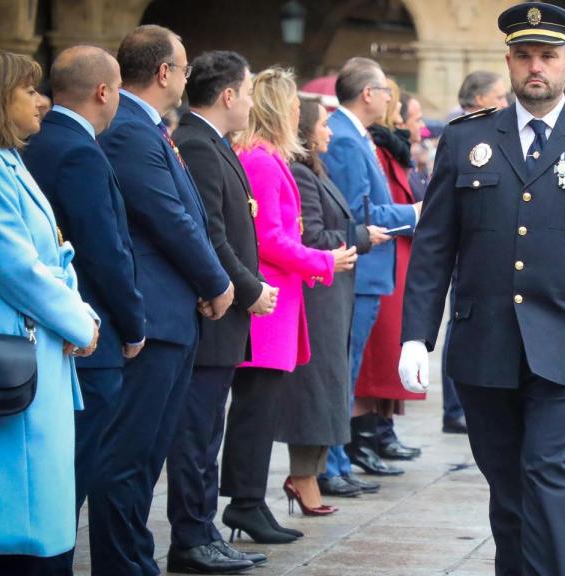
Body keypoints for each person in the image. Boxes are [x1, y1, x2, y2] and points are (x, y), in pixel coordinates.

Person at [398, 4, 565, 574]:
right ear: (509, 62)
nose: (534, 67)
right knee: (505, 480)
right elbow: (436, 244)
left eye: (546, 57)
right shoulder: (467, 139)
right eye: (523, 56)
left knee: (546, 468)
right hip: (484, 339)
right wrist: (416, 335)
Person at [89, 26, 235, 576]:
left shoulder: (148, 127)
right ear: (164, 72)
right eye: (184, 66)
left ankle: (133, 558)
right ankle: (123, 563)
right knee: (130, 455)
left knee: (148, 455)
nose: (187, 76)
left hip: (173, 313)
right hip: (153, 315)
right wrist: (217, 282)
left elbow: (183, 213)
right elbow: (168, 219)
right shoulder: (128, 128)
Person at [18, 45, 144, 574]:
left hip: (50, 335)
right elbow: (104, 248)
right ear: (103, 91)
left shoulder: (45, 142)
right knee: (70, 476)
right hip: (84, 339)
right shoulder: (78, 150)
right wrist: (133, 323)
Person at [220, 67, 353, 543]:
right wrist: (323, 259)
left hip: (281, 302)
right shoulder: (259, 159)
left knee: (262, 406)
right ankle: (245, 503)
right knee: (256, 409)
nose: (301, 112)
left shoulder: (269, 158)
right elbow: (270, 238)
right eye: (295, 105)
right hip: (269, 303)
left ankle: (250, 501)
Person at [164, 50, 274, 572]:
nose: (251, 101)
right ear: (228, 95)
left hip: (224, 316)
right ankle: (190, 537)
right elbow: (210, 232)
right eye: (248, 91)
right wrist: (249, 288)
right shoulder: (196, 144)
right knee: (195, 435)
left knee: (208, 431)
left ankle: (204, 530)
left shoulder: (212, 142)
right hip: (212, 313)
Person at [0, 50, 100, 575]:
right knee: (24, 509)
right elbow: (16, 265)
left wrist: (78, 310)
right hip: (19, 351)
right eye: (28, 91)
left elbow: (55, 252)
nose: (41, 101)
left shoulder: (13, 162)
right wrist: (80, 321)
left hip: (43, 343)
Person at [320, 57, 418, 483]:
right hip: (359, 270)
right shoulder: (344, 138)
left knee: (350, 368)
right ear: (367, 94)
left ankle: (338, 462)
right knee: (344, 369)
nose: (387, 97)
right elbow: (357, 213)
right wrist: (415, 213)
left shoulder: (353, 134)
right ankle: (331, 463)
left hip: (369, 272)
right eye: (383, 90)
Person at [280, 96, 380, 508]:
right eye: (322, 124)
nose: (328, 131)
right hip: (318, 295)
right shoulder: (302, 174)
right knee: (318, 389)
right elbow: (314, 238)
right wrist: (362, 237)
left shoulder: (315, 171)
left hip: (333, 294)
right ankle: (305, 476)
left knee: (331, 384)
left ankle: (312, 474)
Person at [440, 71, 513, 434]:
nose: (505, 103)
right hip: (468, 253)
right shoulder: (461, 133)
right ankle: (454, 406)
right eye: (499, 97)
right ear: (480, 100)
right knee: (461, 322)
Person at [357, 78, 425, 464]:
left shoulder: (392, 149)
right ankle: (365, 435)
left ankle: (379, 430)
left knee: (383, 351)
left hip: (397, 255)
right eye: (402, 112)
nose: (409, 123)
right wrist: (415, 215)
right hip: (382, 252)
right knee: (373, 355)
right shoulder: (372, 148)